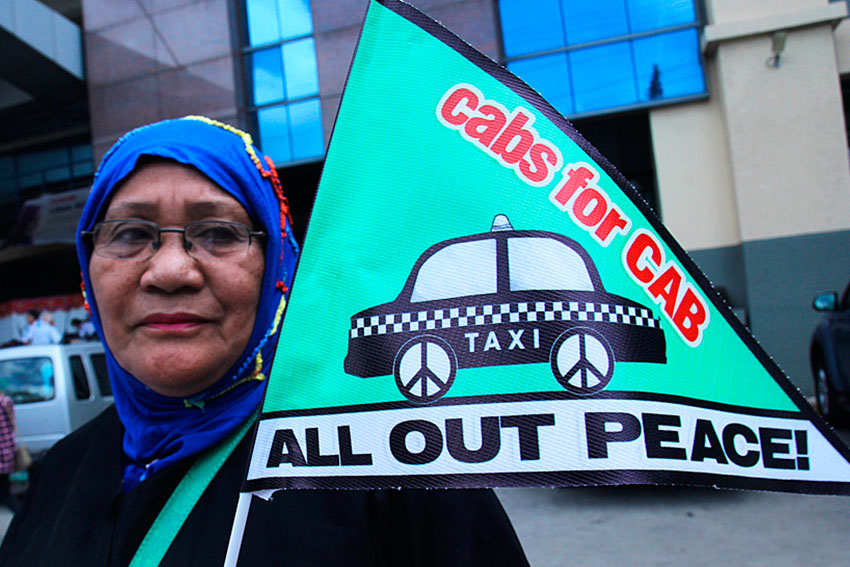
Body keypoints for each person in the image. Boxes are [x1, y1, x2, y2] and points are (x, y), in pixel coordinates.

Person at [0, 117, 528, 566]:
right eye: (131, 234)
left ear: (276, 262)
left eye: (218, 234)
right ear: (89, 269)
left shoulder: (392, 465)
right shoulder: (58, 475)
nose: (169, 271)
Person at [0, 391, 19, 513]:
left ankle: (23, 516)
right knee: (5, 491)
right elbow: (13, 424)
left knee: (4, 494)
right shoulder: (6, 400)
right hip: (7, 452)